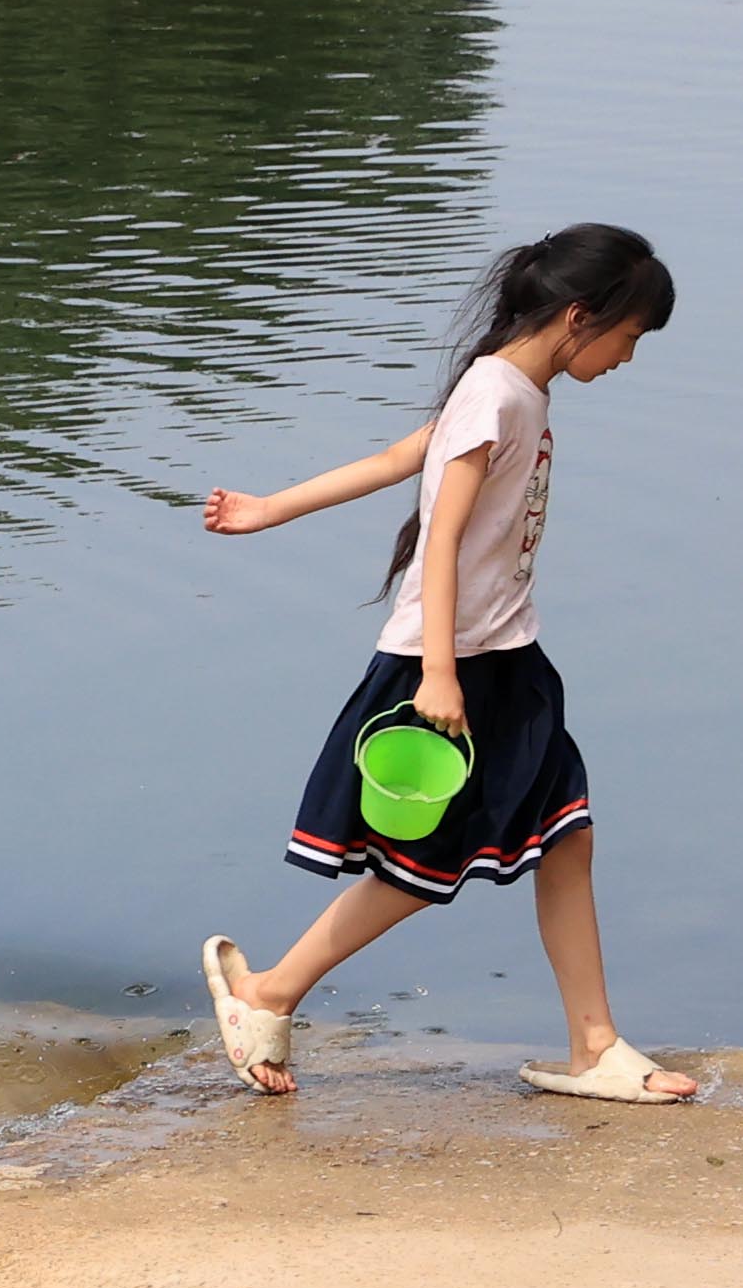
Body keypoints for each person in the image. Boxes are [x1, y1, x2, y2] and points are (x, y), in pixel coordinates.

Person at [198, 222, 686, 1102]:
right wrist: (436, 673)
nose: (627, 357)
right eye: (629, 336)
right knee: (424, 867)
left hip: (507, 655)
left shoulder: (515, 389)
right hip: (453, 663)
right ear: (581, 315)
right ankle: (267, 993)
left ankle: (594, 1044)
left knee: (566, 832)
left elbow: (398, 458)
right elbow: (445, 533)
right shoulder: (496, 395)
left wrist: (269, 509)